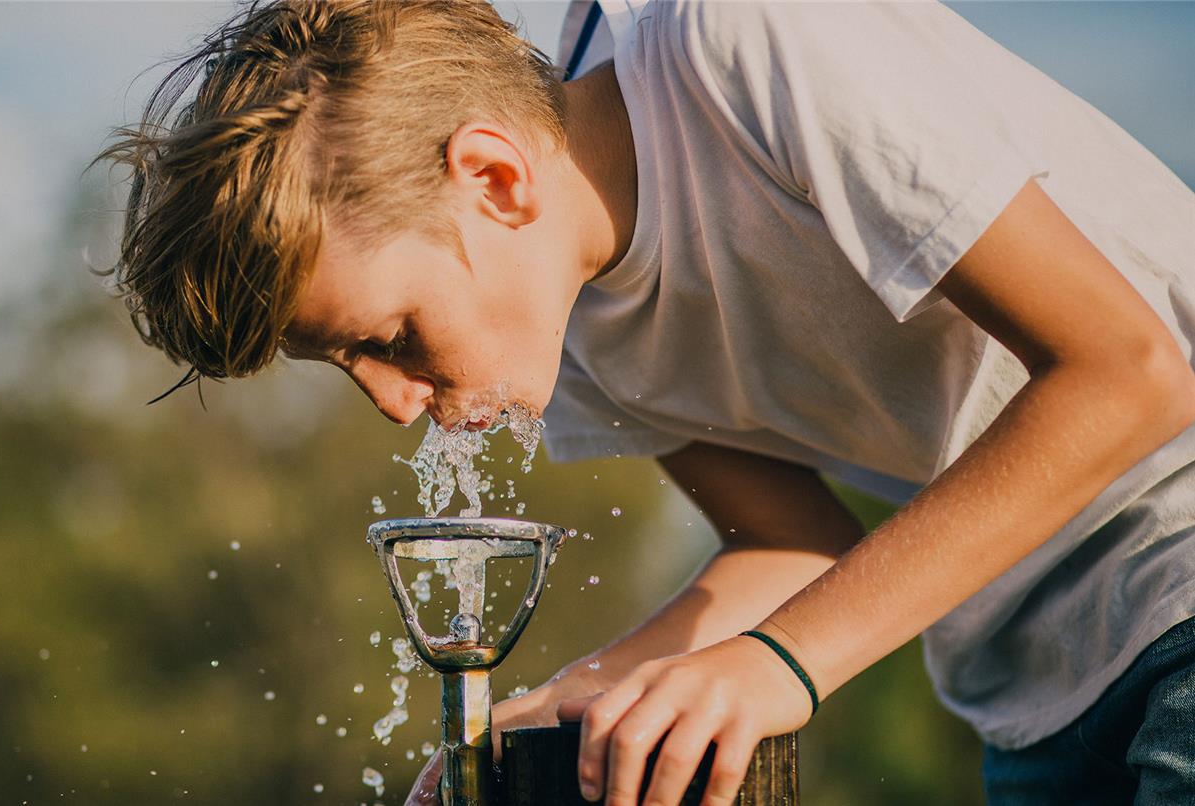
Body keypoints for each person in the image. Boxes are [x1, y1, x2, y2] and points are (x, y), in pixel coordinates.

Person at [92, 1, 1195, 803]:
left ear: (493, 178)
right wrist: (575, 697)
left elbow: (1130, 371)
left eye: (388, 337)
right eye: (346, 365)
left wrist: (779, 663)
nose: (389, 400)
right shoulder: (563, 320)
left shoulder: (747, 42)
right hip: (1031, 689)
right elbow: (790, 543)